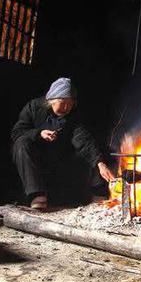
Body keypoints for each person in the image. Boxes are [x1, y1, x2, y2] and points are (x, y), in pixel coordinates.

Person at [11, 77, 115, 209]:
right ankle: (37, 195)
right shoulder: (33, 107)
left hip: (60, 156)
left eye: (70, 104)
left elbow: (83, 140)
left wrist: (100, 163)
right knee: (21, 143)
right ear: (51, 100)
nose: (66, 107)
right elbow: (17, 132)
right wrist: (39, 133)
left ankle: (98, 193)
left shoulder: (73, 116)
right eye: (63, 102)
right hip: (36, 156)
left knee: (92, 150)